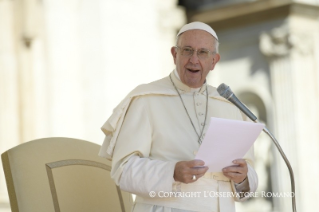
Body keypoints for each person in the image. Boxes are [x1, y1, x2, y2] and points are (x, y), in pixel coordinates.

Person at [99, 22, 258, 212]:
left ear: (214, 61)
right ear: (175, 54)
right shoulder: (146, 99)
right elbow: (123, 170)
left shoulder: (229, 104)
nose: (193, 59)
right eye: (187, 50)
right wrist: (171, 172)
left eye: (202, 53)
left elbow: (250, 174)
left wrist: (243, 178)